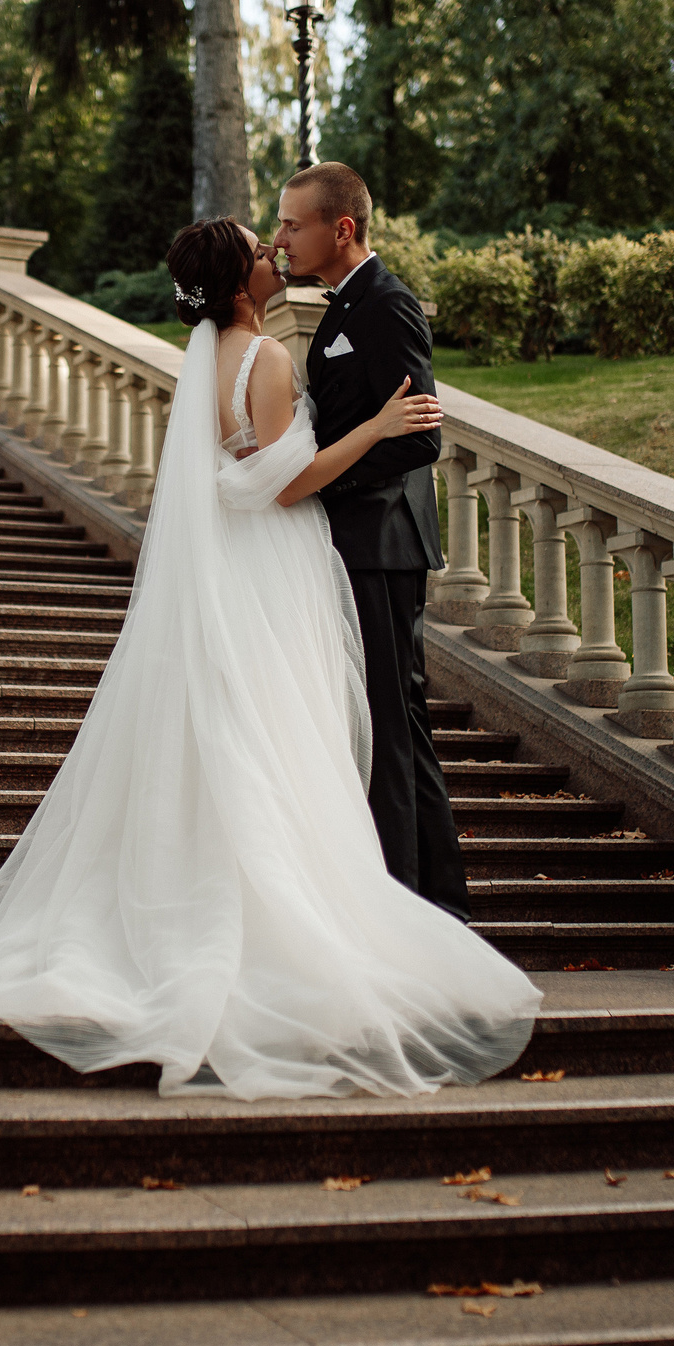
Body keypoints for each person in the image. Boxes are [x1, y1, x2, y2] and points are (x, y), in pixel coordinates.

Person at [0, 216, 542, 1101]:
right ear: (239, 277)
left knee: (250, 736)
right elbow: (283, 478)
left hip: (240, 566)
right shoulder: (261, 359)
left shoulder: (210, 359)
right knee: (278, 738)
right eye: (258, 247)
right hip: (274, 564)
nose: (273, 250)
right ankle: (278, 926)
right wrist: (378, 424)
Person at [272, 162, 467, 918]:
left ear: (340, 228)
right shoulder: (343, 308)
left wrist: (320, 481)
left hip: (383, 547)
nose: (281, 238)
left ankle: (419, 908)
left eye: (294, 224)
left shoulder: (387, 305)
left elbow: (419, 439)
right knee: (386, 721)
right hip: (359, 545)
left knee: (392, 721)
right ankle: (431, 902)